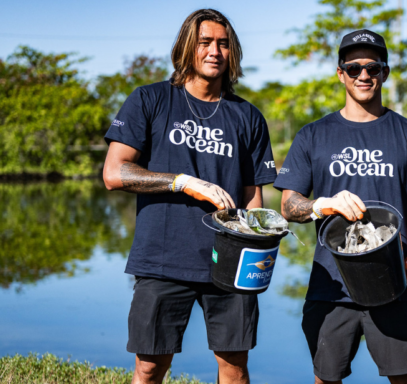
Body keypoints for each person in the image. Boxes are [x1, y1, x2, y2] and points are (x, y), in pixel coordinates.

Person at [102, 9, 277, 384]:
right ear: (187, 47)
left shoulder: (248, 117)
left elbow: (252, 197)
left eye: (223, 44)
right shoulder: (150, 100)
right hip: (162, 257)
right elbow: (115, 172)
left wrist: (258, 249)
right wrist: (183, 181)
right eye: (205, 43)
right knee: (149, 367)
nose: (215, 51)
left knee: (234, 366)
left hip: (229, 263)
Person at [274, 29, 407, 384]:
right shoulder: (313, 135)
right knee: (326, 377)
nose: (363, 75)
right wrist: (324, 205)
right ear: (340, 73)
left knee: (403, 378)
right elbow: (288, 205)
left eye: (373, 67)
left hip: (394, 281)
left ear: (385, 72)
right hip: (331, 285)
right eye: (353, 68)